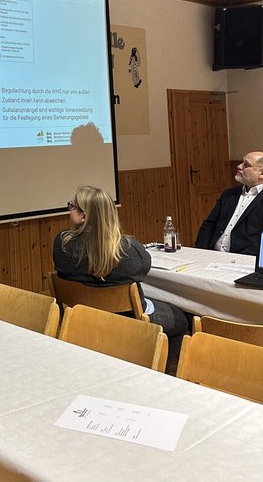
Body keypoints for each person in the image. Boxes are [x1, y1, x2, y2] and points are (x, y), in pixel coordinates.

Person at [53, 185, 188, 367]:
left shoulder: (62, 245)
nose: (69, 210)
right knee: (183, 320)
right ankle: (159, 371)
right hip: (128, 320)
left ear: (84, 216)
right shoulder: (129, 251)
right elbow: (143, 269)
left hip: (83, 318)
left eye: (72, 206)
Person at [195, 152, 263, 256]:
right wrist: (201, 252)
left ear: (261, 174)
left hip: (243, 258)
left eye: (246, 165)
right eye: (242, 162)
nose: (239, 166)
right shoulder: (229, 194)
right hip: (211, 254)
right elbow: (209, 225)